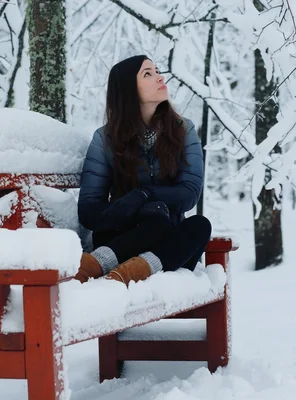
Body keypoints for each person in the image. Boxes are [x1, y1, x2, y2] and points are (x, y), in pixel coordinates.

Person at [75, 55, 212, 286]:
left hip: (168, 247)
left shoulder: (183, 130)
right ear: (129, 89)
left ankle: (125, 274)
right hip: (120, 239)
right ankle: (97, 265)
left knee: (199, 226)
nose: (159, 76)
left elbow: (189, 194)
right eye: (147, 74)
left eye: (156, 70)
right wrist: (130, 207)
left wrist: (145, 194)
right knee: (154, 219)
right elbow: (89, 211)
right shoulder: (104, 139)